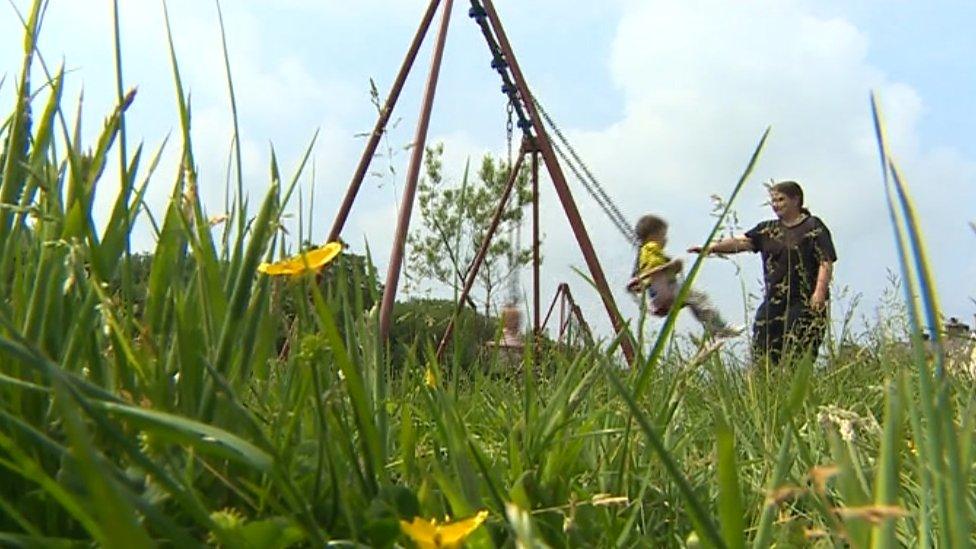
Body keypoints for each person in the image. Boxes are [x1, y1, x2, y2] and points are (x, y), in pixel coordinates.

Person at [688, 181, 837, 364]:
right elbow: (742, 242)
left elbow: (825, 260)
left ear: (796, 199)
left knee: (797, 356)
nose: (776, 205)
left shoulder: (813, 226)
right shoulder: (768, 229)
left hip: (804, 302)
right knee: (762, 355)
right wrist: (710, 248)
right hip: (774, 301)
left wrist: (819, 293)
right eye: (773, 200)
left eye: (781, 199)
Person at [627, 214, 739, 338]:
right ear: (653, 236)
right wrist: (673, 264)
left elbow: (650, 273)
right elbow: (655, 268)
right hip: (667, 289)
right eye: (663, 236)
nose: (665, 240)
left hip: (657, 295)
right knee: (701, 298)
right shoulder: (650, 247)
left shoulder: (642, 254)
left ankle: (713, 327)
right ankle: (719, 327)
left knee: (694, 303)